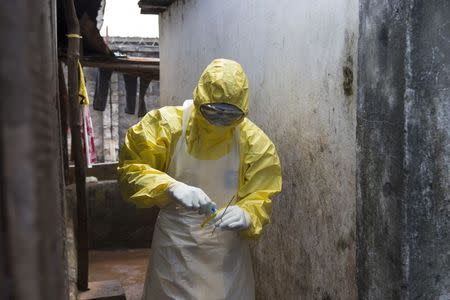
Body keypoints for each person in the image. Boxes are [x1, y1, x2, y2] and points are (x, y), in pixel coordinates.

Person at [118, 58, 282, 300]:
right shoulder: (167, 125)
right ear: (199, 100)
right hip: (175, 247)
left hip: (226, 253)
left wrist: (248, 213)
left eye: (230, 114)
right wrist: (170, 186)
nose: (220, 119)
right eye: (213, 110)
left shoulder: (255, 143)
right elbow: (131, 169)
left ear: (243, 110)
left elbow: (262, 192)